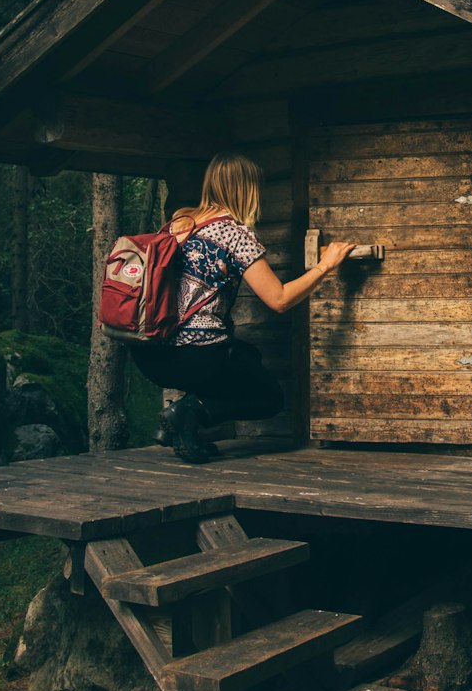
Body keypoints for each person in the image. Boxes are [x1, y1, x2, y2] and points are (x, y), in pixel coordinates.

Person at [131, 150, 355, 463]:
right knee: (269, 397)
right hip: (192, 356)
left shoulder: (178, 222)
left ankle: (182, 424)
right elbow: (279, 300)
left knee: (248, 357)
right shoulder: (235, 234)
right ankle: (187, 412)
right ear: (248, 190)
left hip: (148, 353)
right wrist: (324, 266)